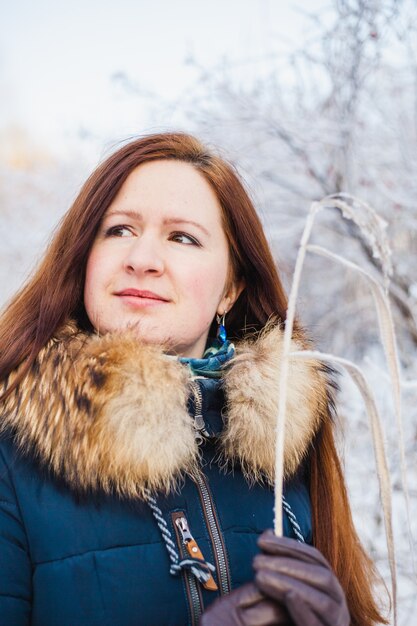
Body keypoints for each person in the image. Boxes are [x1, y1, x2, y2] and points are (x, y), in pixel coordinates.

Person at [0, 132, 386, 626]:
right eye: (118, 229)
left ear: (230, 287)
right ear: (84, 257)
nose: (142, 259)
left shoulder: (287, 448)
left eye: (182, 237)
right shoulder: (14, 452)